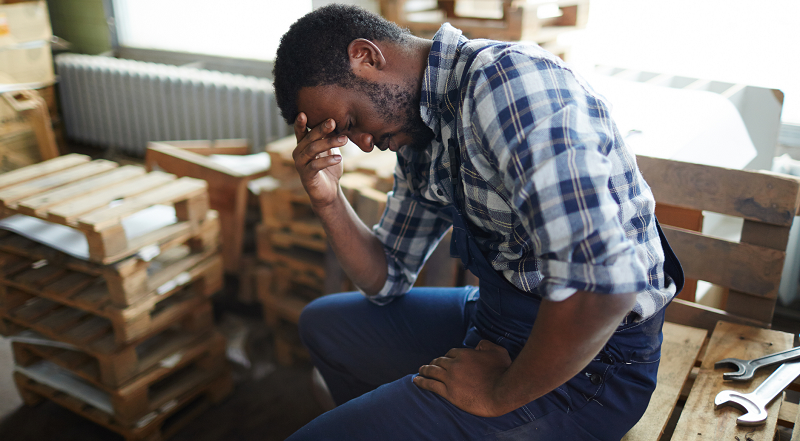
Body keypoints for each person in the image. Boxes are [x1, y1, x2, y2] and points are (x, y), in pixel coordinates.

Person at [272, 4, 683, 440]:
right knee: (323, 325)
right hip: (500, 317)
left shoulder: (506, 84)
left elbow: (605, 284)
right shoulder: (419, 132)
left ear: (368, 57)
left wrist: (497, 395)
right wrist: (329, 199)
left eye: (353, 123)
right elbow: (386, 276)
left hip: (595, 364)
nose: (365, 144)